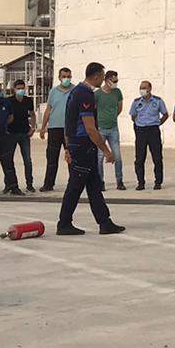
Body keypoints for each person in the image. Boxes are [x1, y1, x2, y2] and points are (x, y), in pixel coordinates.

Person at [55, 61, 125, 237]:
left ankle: (104, 222)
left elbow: (68, 123)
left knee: (94, 185)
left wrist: (68, 147)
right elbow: (90, 128)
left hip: (77, 144)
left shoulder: (75, 92)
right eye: (102, 76)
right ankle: (64, 223)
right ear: (95, 76)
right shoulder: (85, 94)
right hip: (83, 145)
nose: (103, 79)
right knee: (75, 187)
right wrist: (106, 150)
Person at [128, 80, 168, 190]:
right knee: (139, 158)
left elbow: (165, 114)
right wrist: (138, 124)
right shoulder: (136, 102)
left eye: (144, 87)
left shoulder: (158, 101)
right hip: (141, 131)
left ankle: (158, 182)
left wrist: (158, 123)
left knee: (157, 157)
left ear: (150, 88)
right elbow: (133, 116)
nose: (142, 90)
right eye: (141, 88)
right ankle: (141, 182)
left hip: (153, 130)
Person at [38, 67, 74, 192]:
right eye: (64, 76)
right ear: (59, 78)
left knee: (71, 157)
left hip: (69, 129)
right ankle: (48, 184)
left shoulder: (75, 90)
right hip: (54, 128)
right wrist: (43, 127)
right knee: (52, 157)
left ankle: (73, 184)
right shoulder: (53, 91)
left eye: (69, 76)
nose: (66, 79)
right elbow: (48, 109)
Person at [95, 70, 126, 191]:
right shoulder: (97, 94)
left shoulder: (117, 92)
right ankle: (100, 182)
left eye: (116, 81)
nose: (115, 83)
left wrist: (112, 117)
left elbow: (119, 107)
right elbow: (94, 109)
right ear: (106, 80)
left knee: (117, 156)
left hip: (113, 128)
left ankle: (119, 181)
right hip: (101, 128)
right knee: (100, 157)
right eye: (113, 81)